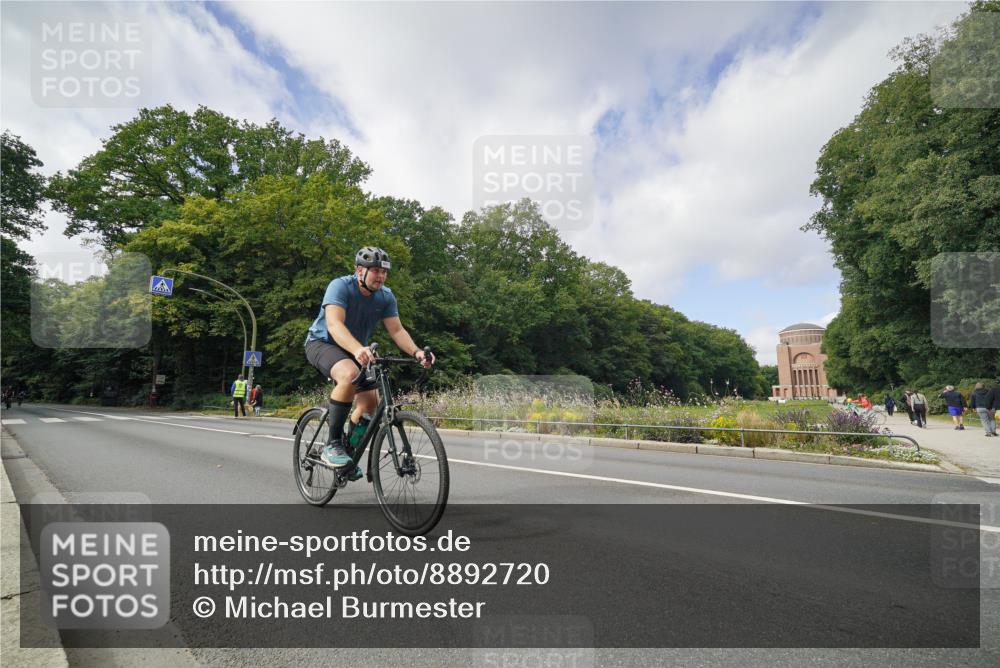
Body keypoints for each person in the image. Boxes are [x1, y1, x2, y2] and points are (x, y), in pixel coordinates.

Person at [304, 246, 434, 474]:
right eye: (375, 270)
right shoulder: (340, 286)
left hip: (356, 350)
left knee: (370, 403)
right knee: (349, 375)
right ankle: (332, 445)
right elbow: (334, 325)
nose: (381, 276)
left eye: (384, 272)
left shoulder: (385, 297)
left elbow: (397, 331)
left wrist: (417, 353)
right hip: (323, 343)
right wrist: (356, 349)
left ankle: (347, 451)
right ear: (359, 271)